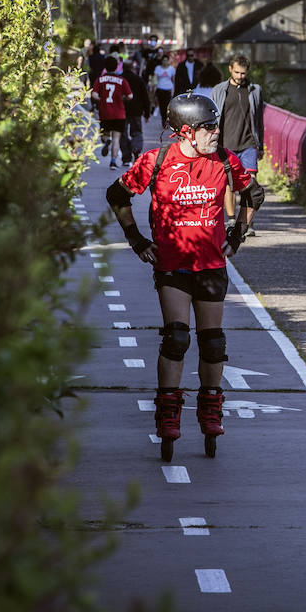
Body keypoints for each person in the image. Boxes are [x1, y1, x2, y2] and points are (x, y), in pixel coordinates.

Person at [104, 93, 266, 461]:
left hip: (211, 266)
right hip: (173, 267)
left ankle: (210, 407)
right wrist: (136, 240)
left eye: (216, 126)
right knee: (177, 338)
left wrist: (237, 235)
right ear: (186, 132)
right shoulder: (156, 161)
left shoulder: (224, 161)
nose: (216, 133)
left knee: (212, 343)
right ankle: (168, 410)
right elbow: (117, 195)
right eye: (209, 128)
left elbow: (253, 195)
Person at [211, 55, 265, 235]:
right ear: (230, 69)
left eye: (243, 73)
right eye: (237, 72)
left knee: (251, 184)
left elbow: (259, 120)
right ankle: (232, 220)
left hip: (248, 144)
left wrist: (261, 145)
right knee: (229, 185)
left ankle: (248, 223)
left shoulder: (255, 90)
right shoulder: (219, 90)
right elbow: (212, 118)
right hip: (226, 145)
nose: (240, 76)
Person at [90, 55, 132, 171]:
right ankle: (113, 162)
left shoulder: (100, 79)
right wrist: (122, 98)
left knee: (104, 135)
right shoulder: (121, 80)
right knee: (116, 139)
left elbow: (94, 94)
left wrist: (100, 99)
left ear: (105, 67)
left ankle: (106, 140)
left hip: (105, 112)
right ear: (116, 67)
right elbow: (130, 96)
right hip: (119, 113)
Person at [121, 59, 150, 170]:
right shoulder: (138, 80)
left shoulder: (120, 79)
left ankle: (125, 157)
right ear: (132, 68)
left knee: (123, 133)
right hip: (136, 111)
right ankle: (136, 150)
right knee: (136, 131)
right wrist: (147, 113)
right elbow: (145, 97)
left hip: (122, 111)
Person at [152, 53, 175, 121]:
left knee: (168, 106)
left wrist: (173, 90)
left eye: (166, 60)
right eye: (164, 60)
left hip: (169, 89)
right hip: (160, 89)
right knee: (162, 106)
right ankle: (163, 119)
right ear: (161, 61)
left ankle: (168, 120)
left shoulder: (171, 69)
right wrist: (154, 88)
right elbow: (155, 79)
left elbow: (173, 80)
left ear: (168, 61)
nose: (165, 62)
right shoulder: (158, 68)